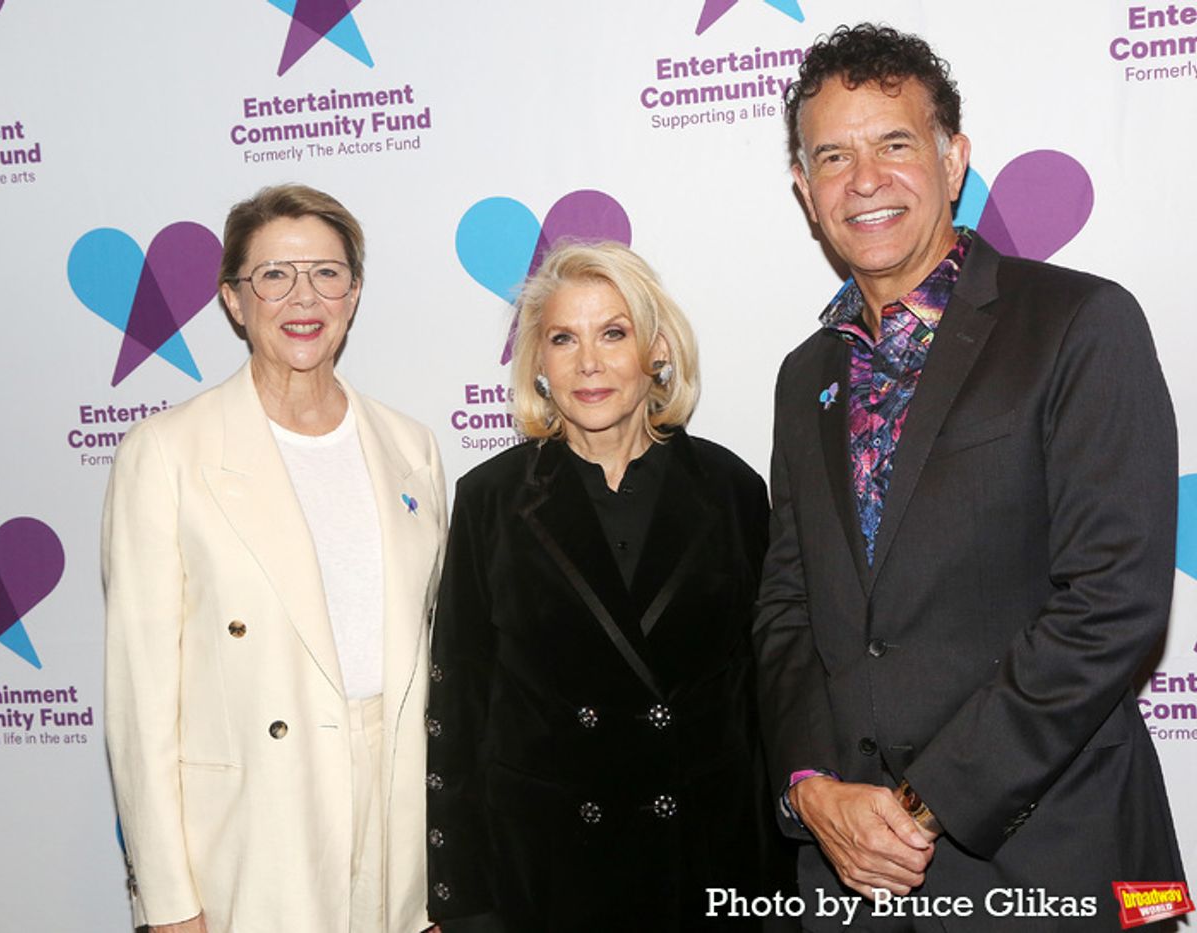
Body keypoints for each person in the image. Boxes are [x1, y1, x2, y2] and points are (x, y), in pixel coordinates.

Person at [754, 23, 1185, 932]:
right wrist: (811, 787)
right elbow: (787, 606)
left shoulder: (1079, 323)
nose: (864, 179)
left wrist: (922, 802)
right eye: (833, 156)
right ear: (804, 189)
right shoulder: (805, 376)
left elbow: (1112, 604)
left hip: (1063, 861)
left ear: (954, 161)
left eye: (895, 144)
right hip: (851, 880)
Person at [103, 184, 446, 933]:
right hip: (252, 832)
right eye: (275, 275)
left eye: (327, 273)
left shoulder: (411, 448)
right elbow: (142, 701)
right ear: (234, 299)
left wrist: (438, 884)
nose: (304, 296)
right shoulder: (166, 454)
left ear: (354, 294)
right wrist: (168, 902)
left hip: (393, 823)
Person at [424, 241, 771, 931]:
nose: (589, 361)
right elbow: (457, 709)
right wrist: (463, 901)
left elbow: (768, 700)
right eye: (563, 338)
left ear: (658, 351)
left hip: (706, 867)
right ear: (539, 365)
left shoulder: (733, 489)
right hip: (548, 872)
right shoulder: (489, 498)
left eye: (614, 333)